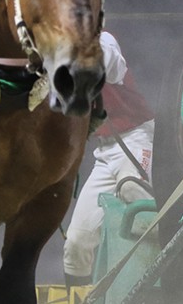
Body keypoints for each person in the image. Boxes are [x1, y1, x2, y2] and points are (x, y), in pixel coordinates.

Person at [63, 31, 155, 286]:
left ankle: (161, 284)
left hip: (136, 138)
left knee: (133, 191)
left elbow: (112, 68)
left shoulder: (103, 40)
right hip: (103, 152)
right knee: (77, 244)